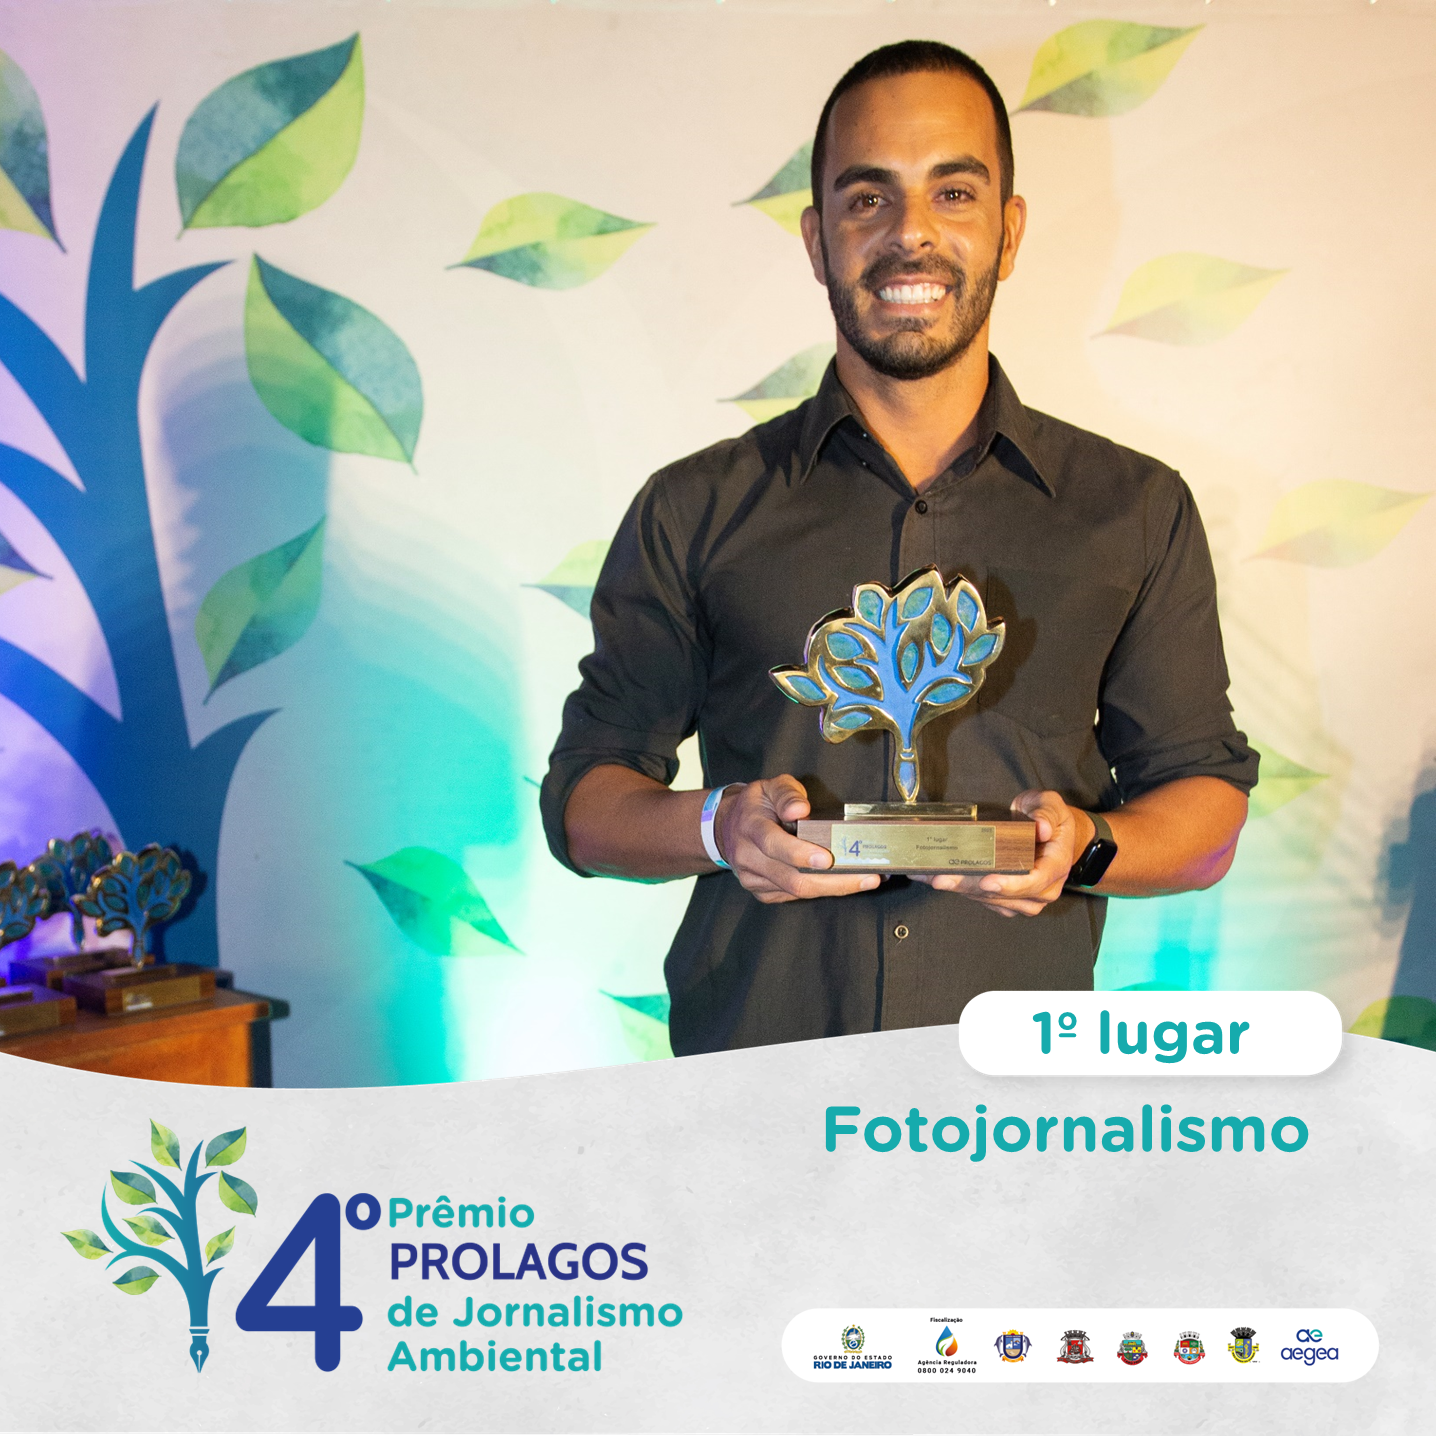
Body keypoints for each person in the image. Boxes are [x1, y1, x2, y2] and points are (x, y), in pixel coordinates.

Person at [541, 40, 1258, 1054]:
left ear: (1009, 230)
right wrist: (720, 826)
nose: (910, 233)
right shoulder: (695, 507)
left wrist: (1084, 846)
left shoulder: (1134, 509)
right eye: (867, 198)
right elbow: (584, 804)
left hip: (1016, 1103)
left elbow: (1205, 814)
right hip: (751, 1091)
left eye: (953, 193)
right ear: (816, 238)